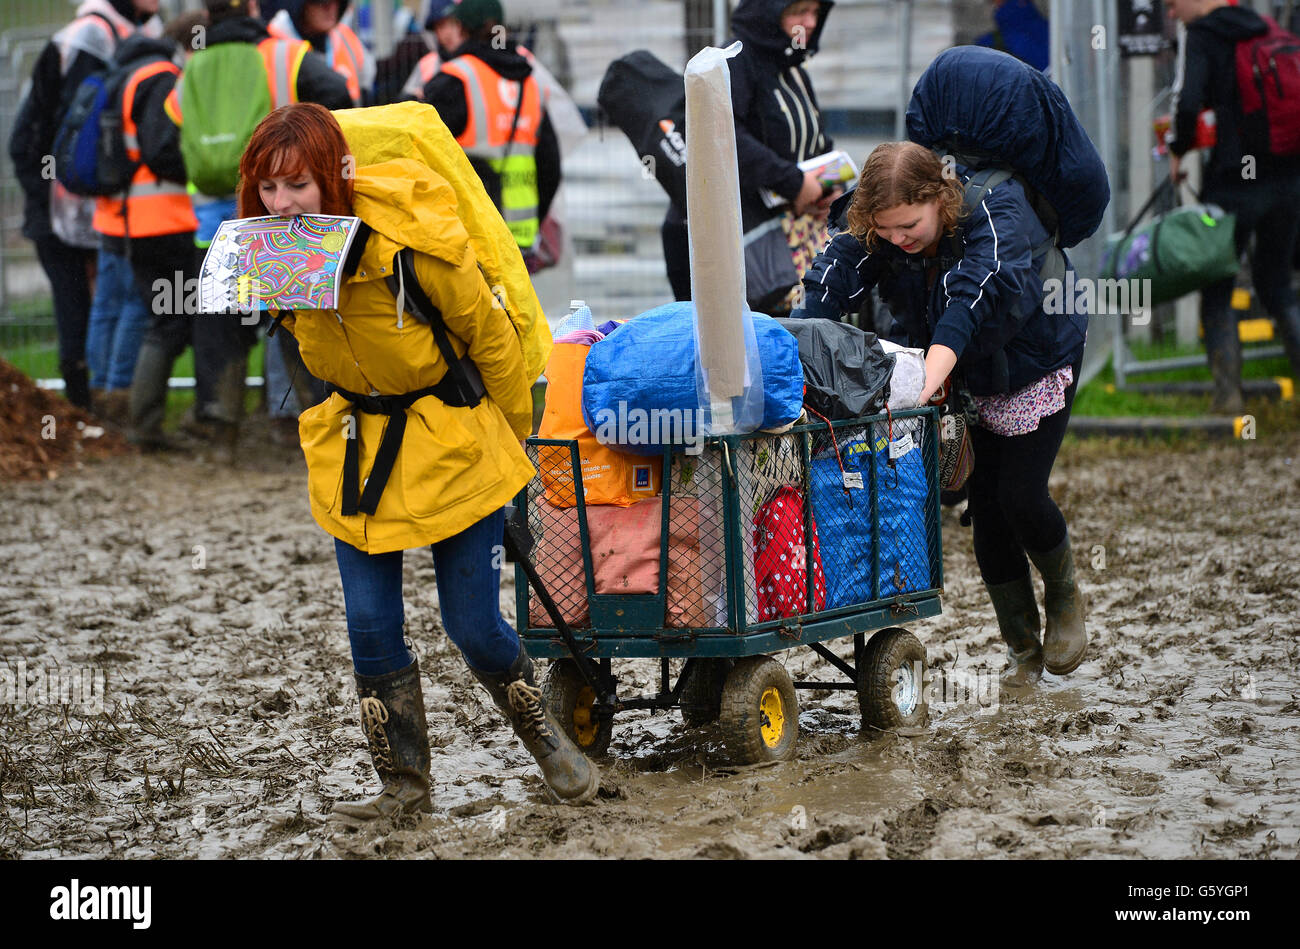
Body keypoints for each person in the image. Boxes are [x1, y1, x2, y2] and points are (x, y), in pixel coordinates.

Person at [235, 102, 597, 819]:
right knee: (369, 626)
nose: (281, 205)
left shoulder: (413, 242)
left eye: (297, 186)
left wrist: (512, 448)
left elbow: (491, 341)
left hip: (455, 441)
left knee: (471, 624)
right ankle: (404, 787)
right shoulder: (275, 253)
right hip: (357, 451)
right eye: (268, 189)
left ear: (334, 176)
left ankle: (554, 745)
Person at [798, 142, 1089, 689]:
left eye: (909, 225)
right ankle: (1023, 649)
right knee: (987, 511)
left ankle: (1065, 595)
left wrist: (925, 384)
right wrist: (791, 338)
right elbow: (835, 277)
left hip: (1035, 357)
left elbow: (967, 303)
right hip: (966, 372)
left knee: (1021, 495)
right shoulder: (883, 230)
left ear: (938, 197)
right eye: (885, 231)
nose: (898, 239)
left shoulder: (998, 216)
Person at [162, 0, 350, 460]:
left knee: (221, 328)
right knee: (294, 322)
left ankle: (222, 434)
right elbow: (340, 99)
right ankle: (313, 425)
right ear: (251, 6)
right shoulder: (286, 55)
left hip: (215, 224)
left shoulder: (191, 69)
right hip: (283, 221)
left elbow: (165, 141)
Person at [7, 0, 162, 411]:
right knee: (78, 311)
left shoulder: (134, 32)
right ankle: (81, 413)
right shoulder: (89, 38)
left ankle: (98, 411)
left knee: (105, 306)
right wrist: (57, 203)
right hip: (63, 215)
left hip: (98, 212)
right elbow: (49, 138)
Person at [661, 0, 840, 310]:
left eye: (815, 12)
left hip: (795, 236)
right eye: (798, 12)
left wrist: (829, 187)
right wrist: (794, 183)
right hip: (747, 242)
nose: (809, 22)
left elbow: (812, 138)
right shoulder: (734, 61)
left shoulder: (793, 67)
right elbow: (724, 137)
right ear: (769, 12)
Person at [1167, 0, 1300, 413]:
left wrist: (1178, 150)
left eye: (1173, 4)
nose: (1172, 14)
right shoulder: (1262, 26)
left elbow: (1188, 103)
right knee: (1278, 285)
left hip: (1234, 184)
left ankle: (1228, 397)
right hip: (1289, 178)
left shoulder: (1205, 35)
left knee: (1219, 286)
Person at [421, 0, 561, 264]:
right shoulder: (530, 83)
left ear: (461, 28)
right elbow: (550, 167)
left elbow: (420, 156)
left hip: (467, 240)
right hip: (518, 241)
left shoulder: (453, 80)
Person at [263, 0, 376, 106]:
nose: (330, 8)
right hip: (293, 126)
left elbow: (370, 84)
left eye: (337, 1)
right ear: (299, 5)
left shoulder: (346, 39)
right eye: (321, 1)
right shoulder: (270, 47)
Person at [395, 0, 467, 101]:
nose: (448, 33)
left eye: (452, 24)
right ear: (435, 31)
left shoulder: (474, 60)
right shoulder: (428, 63)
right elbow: (405, 99)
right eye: (441, 26)